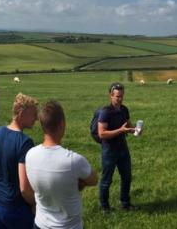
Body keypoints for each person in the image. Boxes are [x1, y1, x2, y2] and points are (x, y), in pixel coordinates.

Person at [26, 100, 99, 229]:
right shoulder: (74, 161)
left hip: (40, 223)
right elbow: (94, 180)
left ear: (42, 125)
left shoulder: (30, 154)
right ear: (62, 125)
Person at [0, 93, 39, 229]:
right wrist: (35, 204)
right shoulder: (25, 142)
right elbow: (24, 188)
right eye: (33, 114)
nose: (36, 118)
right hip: (15, 208)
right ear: (21, 114)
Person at [97, 82, 139, 213]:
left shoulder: (124, 109)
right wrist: (120, 130)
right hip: (109, 150)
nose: (120, 99)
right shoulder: (105, 112)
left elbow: (128, 126)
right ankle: (104, 206)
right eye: (117, 96)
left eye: (121, 96)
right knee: (106, 180)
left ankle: (125, 203)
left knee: (127, 177)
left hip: (123, 149)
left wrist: (135, 130)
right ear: (111, 95)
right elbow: (102, 133)